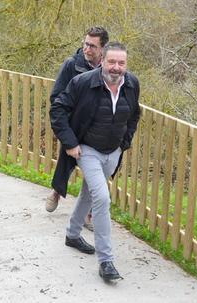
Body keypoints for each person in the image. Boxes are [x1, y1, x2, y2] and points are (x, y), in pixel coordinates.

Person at [50, 42, 140, 283]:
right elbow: (58, 109)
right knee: (102, 198)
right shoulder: (83, 83)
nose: (116, 67)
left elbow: (134, 115)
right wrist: (70, 143)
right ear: (102, 60)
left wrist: (124, 144)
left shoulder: (132, 84)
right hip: (87, 149)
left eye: (121, 63)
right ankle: (106, 261)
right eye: (112, 61)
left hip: (113, 151)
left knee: (90, 193)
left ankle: (72, 233)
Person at [46, 26, 108, 215]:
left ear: (102, 49)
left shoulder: (109, 68)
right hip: (74, 124)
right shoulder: (72, 65)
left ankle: (88, 213)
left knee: (95, 171)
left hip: (97, 127)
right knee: (67, 159)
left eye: (92, 46)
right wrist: (67, 121)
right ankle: (57, 190)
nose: (87, 49)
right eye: (85, 44)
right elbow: (56, 96)